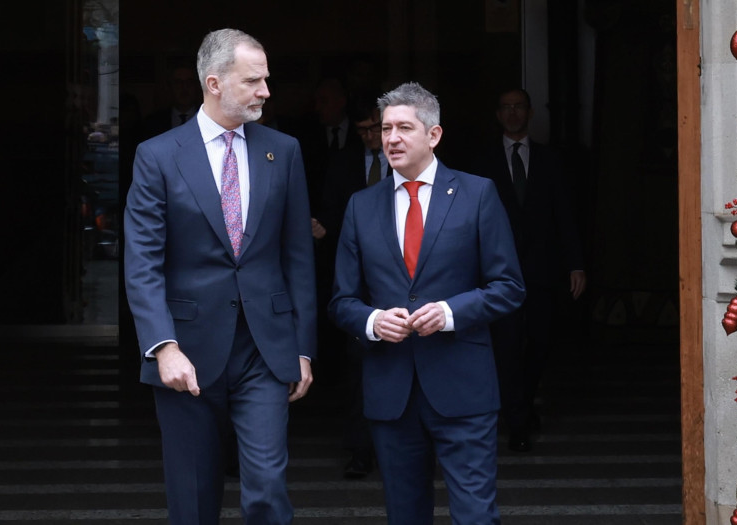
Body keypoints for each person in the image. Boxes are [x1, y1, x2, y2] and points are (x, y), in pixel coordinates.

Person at [124, 28, 316, 525]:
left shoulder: (284, 150)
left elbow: (297, 256)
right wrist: (162, 346)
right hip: (185, 350)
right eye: (253, 80)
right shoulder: (158, 155)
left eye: (266, 79)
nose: (266, 91)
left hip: (266, 349)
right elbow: (142, 260)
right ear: (214, 83)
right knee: (192, 498)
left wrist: (304, 346)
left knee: (268, 488)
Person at [329, 82, 525, 524]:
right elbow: (341, 300)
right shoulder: (360, 206)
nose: (391, 138)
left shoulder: (478, 194)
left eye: (403, 128)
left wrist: (452, 312)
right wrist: (374, 320)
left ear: (433, 135)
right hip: (391, 390)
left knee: (475, 515)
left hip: (463, 387)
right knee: (405, 514)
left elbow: (509, 285)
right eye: (385, 129)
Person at [479, 88, 586, 453]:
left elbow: (565, 213)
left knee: (539, 344)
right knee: (506, 346)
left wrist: (575, 263)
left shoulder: (550, 159)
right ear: (497, 114)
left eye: (518, 106)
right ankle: (518, 421)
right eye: (505, 107)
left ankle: (520, 405)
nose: (512, 113)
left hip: (543, 270)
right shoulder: (483, 161)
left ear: (530, 112)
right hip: (498, 271)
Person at [316, 95, 387, 478]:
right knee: (358, 370)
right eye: (362, 131)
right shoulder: (343, 163)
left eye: (376, 128)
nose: (371, 137)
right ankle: (360, 450)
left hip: (405, 279)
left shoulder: (405, 160)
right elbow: (330, 212)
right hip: (357, 282)